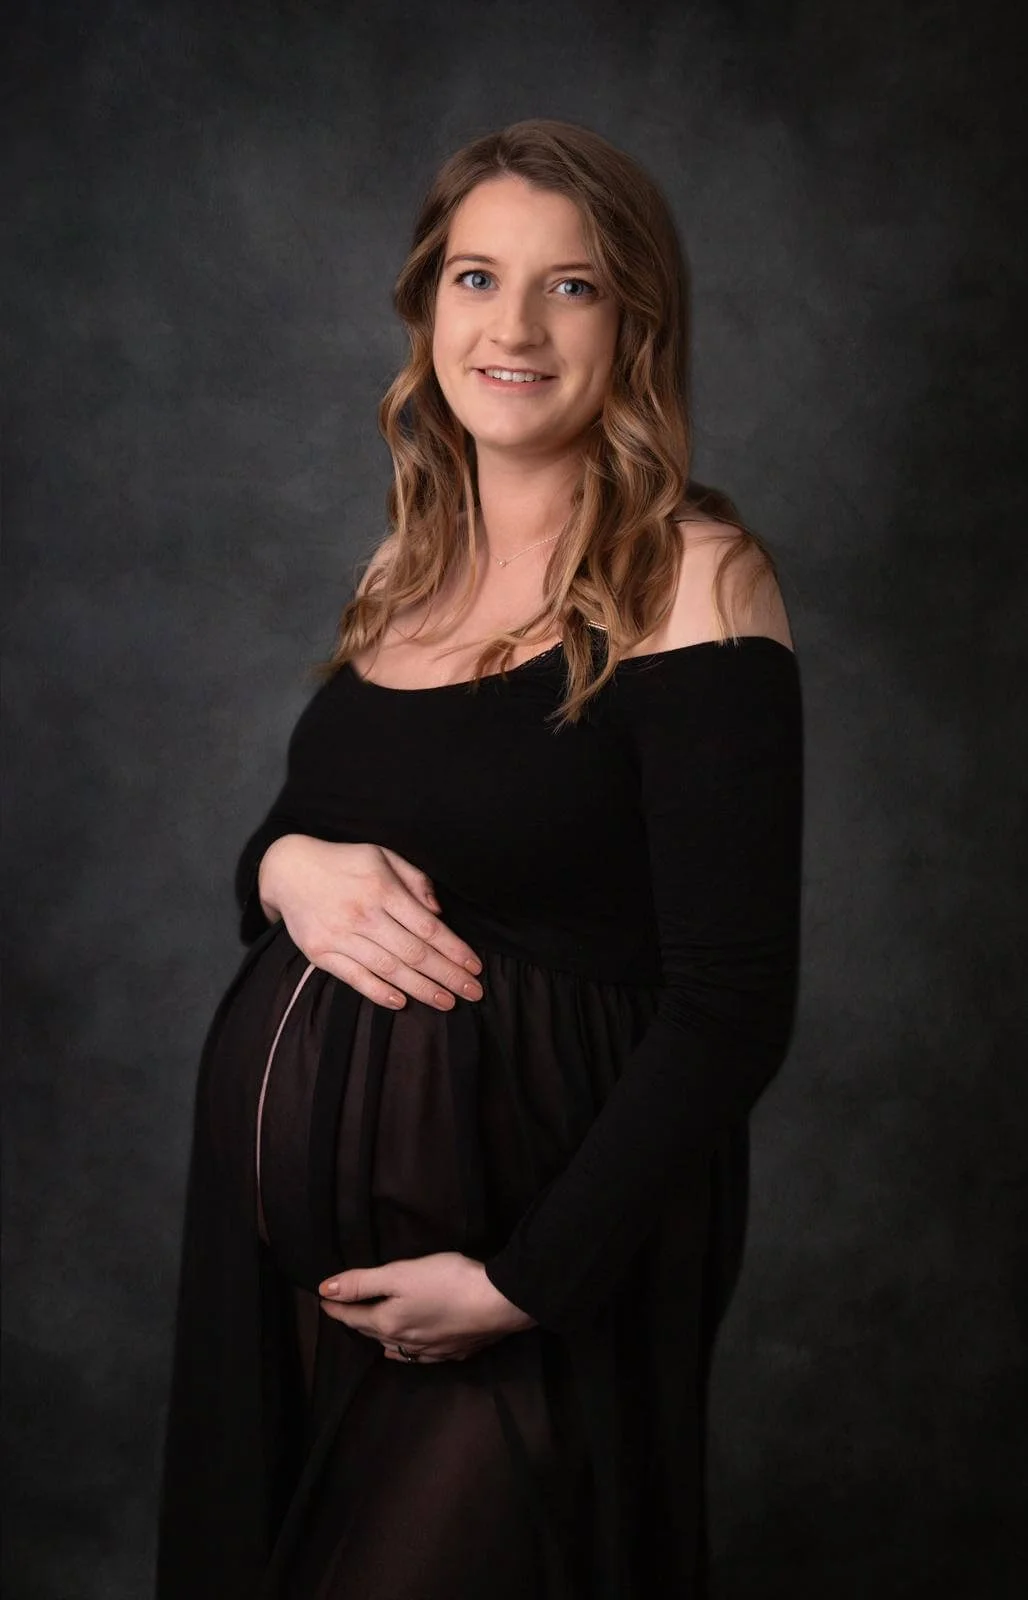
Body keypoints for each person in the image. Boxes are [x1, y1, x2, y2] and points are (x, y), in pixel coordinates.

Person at [156, 117, 802, 1600]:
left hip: (527, 1274)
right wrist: (286, 872)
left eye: (570, 288)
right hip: (301, 1290)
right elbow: (307, 834)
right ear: (425, 306)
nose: (511, 327)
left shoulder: (696, 579)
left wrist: (521, 1283)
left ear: (635, 322)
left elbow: (735, 1006)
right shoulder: (407, 569)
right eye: (475, 277)